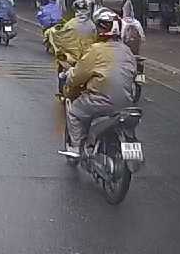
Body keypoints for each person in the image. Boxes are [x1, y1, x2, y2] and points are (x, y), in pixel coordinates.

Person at [59, 9, 138, 158]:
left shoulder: (95, 50)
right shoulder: (127, 51)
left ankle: (75, 148)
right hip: (126, 103)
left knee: (74, 112)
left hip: (99, 101)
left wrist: (68, 75)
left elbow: (77, 76)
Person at [48, 0, 97, 66]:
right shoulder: (92, 24)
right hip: (88, 55)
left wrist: (54, 33)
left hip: (73, 55)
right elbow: (95, 38)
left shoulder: (71, 23)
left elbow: (61, 35)